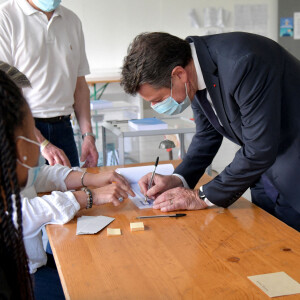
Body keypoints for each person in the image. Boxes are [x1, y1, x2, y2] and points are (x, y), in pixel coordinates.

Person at [121, 32, 300, 232]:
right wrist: (178, 179)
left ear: (179, 74)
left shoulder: (243, 63)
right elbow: (207, 135)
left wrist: (200, 196)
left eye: (158, 99)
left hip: (293, 168)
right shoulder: (194, 70)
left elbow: (259, 149)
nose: (155, 106)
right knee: (267, 243)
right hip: (263, 171)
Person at [0, 70, 134, 299]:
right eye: (33, 130)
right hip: (29, 275)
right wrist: (88, 196)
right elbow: (20, 213)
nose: (40, 140)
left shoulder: (10, 168)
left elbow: (38, 174)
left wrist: (87, 178)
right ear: (20, 146)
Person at [0, 0, 98, 168]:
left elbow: (80, 85)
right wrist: (42, 143)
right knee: (30, 192)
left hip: (64, 127)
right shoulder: (6, 16)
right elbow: (6, 92)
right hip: (23, 129)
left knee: (73, 191)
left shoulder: (72, 20)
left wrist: (87, 135)